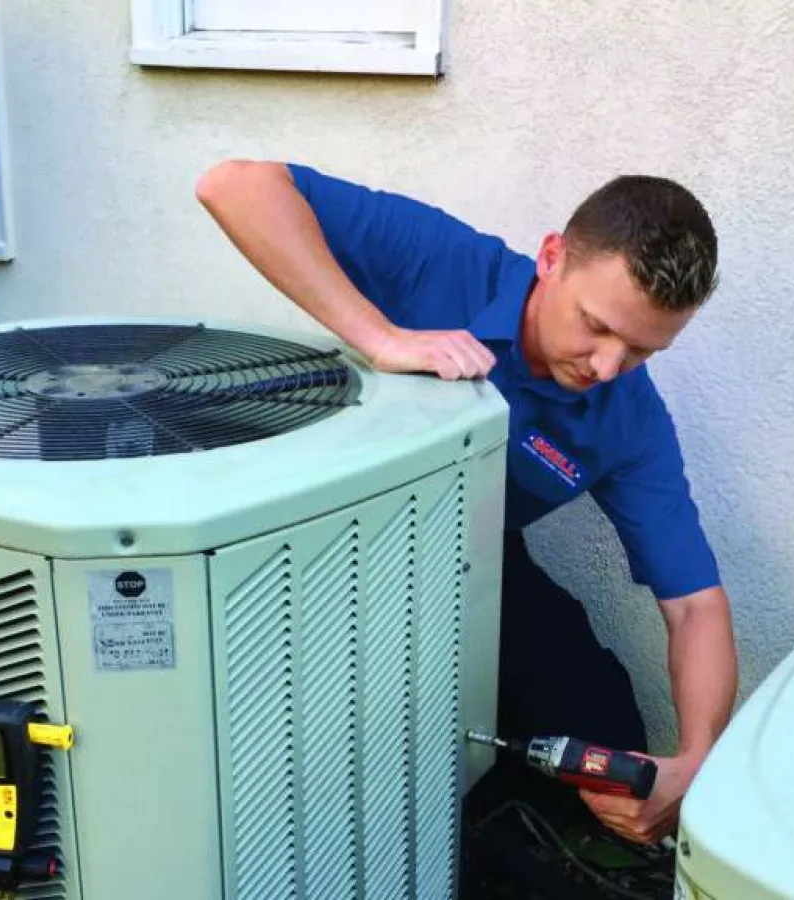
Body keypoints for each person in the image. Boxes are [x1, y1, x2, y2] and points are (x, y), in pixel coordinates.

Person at [194, 159, 738, 854]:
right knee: (332, 751)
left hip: (470, 558)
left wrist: (694, 764)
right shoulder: (443, 262)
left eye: (640, 350)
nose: (607, 366)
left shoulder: (628, 418)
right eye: (597, 327)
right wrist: (381, 338)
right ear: (550, 258)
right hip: (319, 542)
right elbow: (235, 185)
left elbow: (696, 605)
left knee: (611, 744)